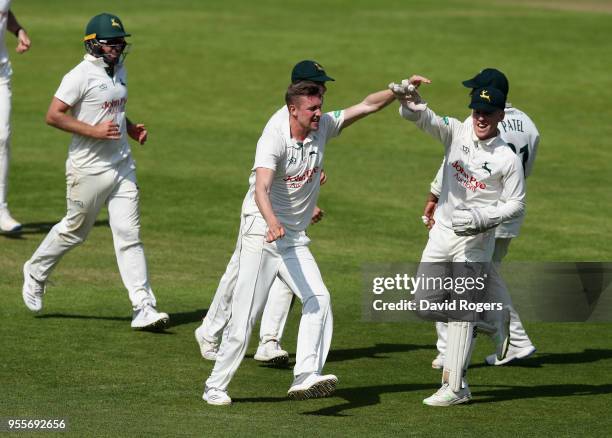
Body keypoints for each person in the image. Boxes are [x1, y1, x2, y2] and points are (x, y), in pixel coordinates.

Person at [202, 78, 401, 406]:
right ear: (293, 111)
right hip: (262, 234)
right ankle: (214, 386)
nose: (319, 112)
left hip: (292, 239)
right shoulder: (274, 138)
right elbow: (261, 189)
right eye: (312, 108)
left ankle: (306, 374)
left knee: (319, 299)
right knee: (245, 319)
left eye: (320, 105)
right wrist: (272, 221)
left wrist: (398, 90)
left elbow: (367, 105)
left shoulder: (322, 127)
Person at [21, 13, 169, 330]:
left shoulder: (119, 70)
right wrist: (94, 132)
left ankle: (143, 306)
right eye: (112, 43)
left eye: (120, 42)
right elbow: (53, 115)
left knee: (130, 236)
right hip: (87, 169)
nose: (118, 47)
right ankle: (35, 271)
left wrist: (129, 128)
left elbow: (114, 109)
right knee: (75, 231)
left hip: (121, 166)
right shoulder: (79, 75)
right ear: (93, 44)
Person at [392, 75, 525, 406]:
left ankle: (456, 387)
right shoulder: (459, 130)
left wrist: (482, 219)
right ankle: (491, 317)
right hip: (442, 233)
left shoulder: (506, 158)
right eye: (477, 110)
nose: (481, 117)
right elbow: (427, 119)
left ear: (500, 116)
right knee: (424, 304)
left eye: (488, 112)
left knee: (461, 312)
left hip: (475, 243)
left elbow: (516, 203)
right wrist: (409, 102)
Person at [194, 60, 332, 365]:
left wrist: (311, 185)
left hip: (290, 214)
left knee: (288, 275)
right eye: (319, 85)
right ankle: (210, 330)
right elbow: (266, 183)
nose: (324, 91)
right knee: (240, 273)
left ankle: (269, 340)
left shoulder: (310, 120)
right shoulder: (277, 127)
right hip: (262, 210)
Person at [422, 69, 539, 368]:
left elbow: (458, 161)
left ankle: (452, 349)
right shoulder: (529, 124)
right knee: (486, 279)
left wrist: (436, 194)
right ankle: (510, 339)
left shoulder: (476, 127)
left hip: (477, 214)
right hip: (504, 215)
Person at [0, 2, 31, 233]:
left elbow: (4, 11)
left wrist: (18, 30)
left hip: (1, 73)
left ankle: (0, 210)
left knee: (2, 137)